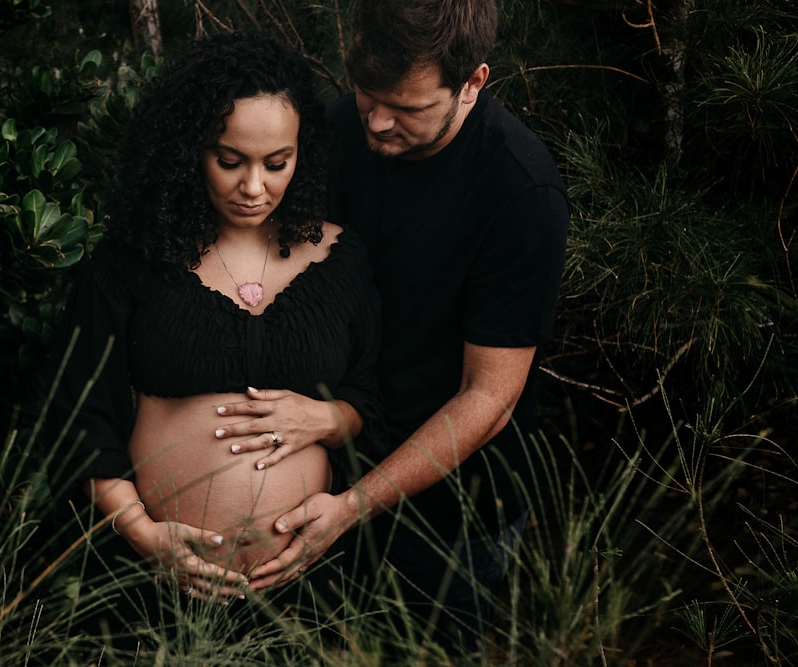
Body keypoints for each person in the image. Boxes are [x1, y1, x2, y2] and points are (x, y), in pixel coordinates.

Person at [227, 0, 570, 654]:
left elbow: (489, 398)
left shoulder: (520, 192)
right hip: (328, 466)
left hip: (455, 512)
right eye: (368, 94)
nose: (378, 121)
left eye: (406, 108)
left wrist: (353, 507)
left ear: (473, 82)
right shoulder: (341, 130)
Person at [43, 31, 383, 617]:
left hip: (308, 588)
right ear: (189, 151)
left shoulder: (340, 259)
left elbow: (374, 398)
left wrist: (328, 418)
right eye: (230, 161)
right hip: (153, 591)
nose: (254, 187)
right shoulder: (131, 264)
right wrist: (142, 535)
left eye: (278, 163)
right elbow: (78, 415)